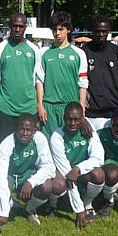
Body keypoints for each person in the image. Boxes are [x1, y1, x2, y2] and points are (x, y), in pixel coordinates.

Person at [49, 102, 105, 229]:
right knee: (58, 185)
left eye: (76, 119)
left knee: (99, 174)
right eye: (69, 119)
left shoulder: (89, 132)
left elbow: (98, 158)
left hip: (80, 172)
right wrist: (78, 210)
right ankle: (52, 204)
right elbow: (67, 174)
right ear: (64, 118)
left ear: (82, 119)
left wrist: (78, 169)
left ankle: (87, 203)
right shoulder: (56, 137)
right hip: (64, 174)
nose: (72, 123)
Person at [0, 114, 56, 226]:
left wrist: (31, 182)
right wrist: (4, 212)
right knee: (0, 188)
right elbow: (0, 176)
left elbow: (49, 167)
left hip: (28, 174)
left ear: (35, 130)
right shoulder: (7, 143)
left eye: (28, 130)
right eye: (22, 129)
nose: (25, 133)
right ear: (16, 128)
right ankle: (13, 206)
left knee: (47, 186)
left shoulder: (40, 139)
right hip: (10, 176)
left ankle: (29, 209)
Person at [0, 12, 41, 148]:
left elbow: (37, 77)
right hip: (6, 108)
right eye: (14, 26)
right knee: (3, 146)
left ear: (25, 27)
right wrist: (4, 98)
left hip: (28, 108)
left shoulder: (34, 50)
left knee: (29, 147)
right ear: (9, 26)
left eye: (21, 26)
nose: (17, 29)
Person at [37, 11, 88, 140]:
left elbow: (83, 83)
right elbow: (39, 81)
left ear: (68, 30)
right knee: (49, 144)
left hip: (70, 106)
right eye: (54, 29)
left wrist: (81, 107)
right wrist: (40, 105)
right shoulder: (44, 53)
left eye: (61, 29)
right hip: (50, 107)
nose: (57, 33)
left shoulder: (79, 53)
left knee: (69, 144)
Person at [82, 15, 118, 131]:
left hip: (112, 108)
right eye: (97, 31)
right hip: (92, 110)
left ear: (108, 31)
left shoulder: (116, 51)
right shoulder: (84, 51)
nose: (100, 34)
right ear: (92, 31)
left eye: (104, 31)